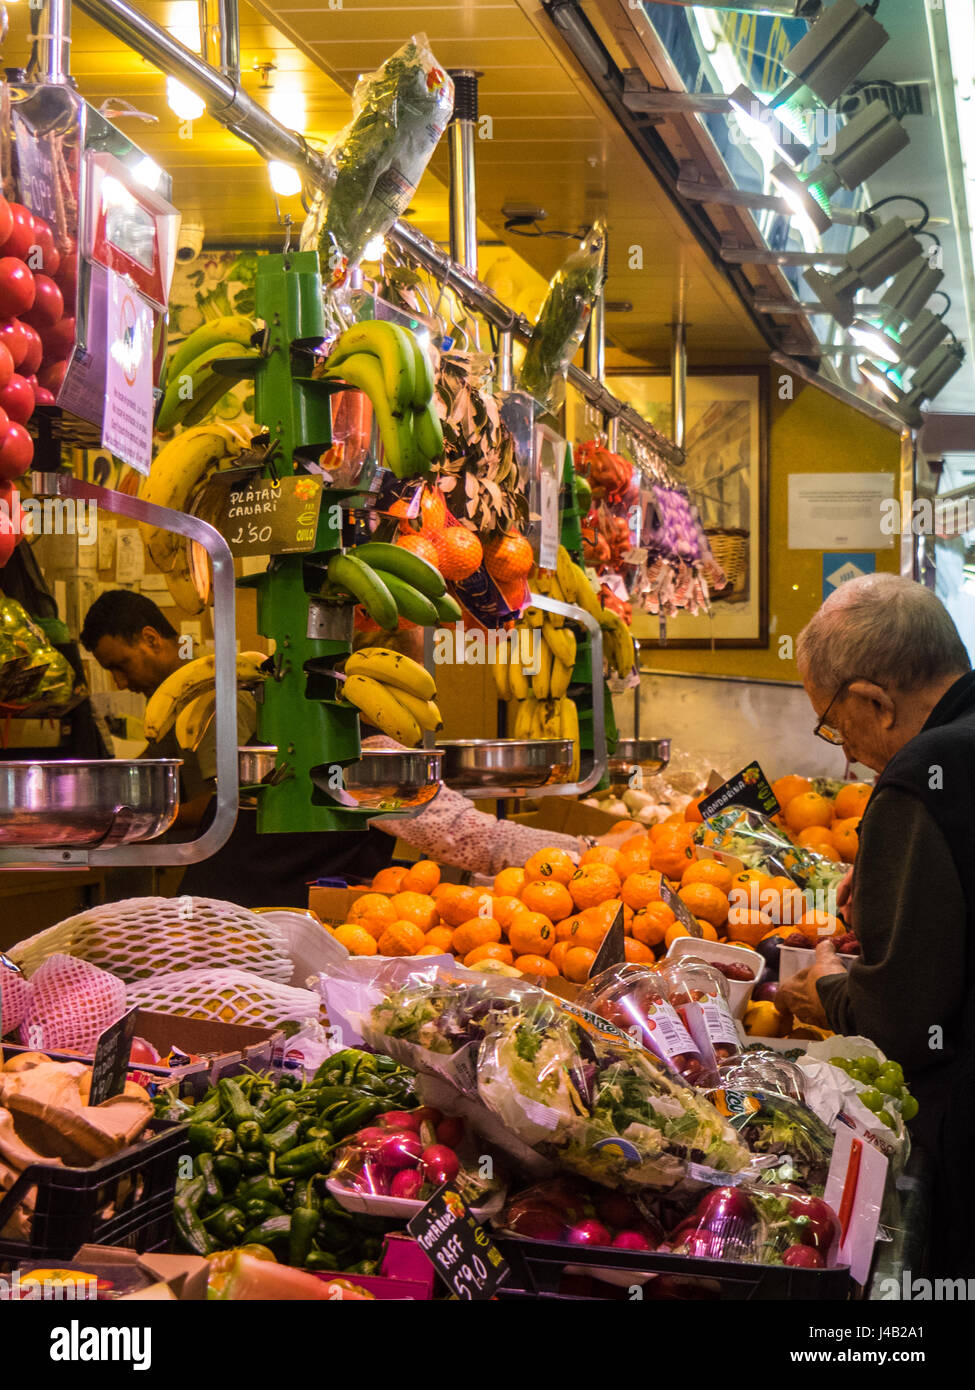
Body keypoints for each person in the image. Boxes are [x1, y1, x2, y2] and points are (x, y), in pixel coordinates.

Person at [777, 573, 975, 1275]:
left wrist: (824, 991)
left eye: (834, 722)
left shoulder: (923, 771)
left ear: (873, 700)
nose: (844, 751)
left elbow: (899, 1014)